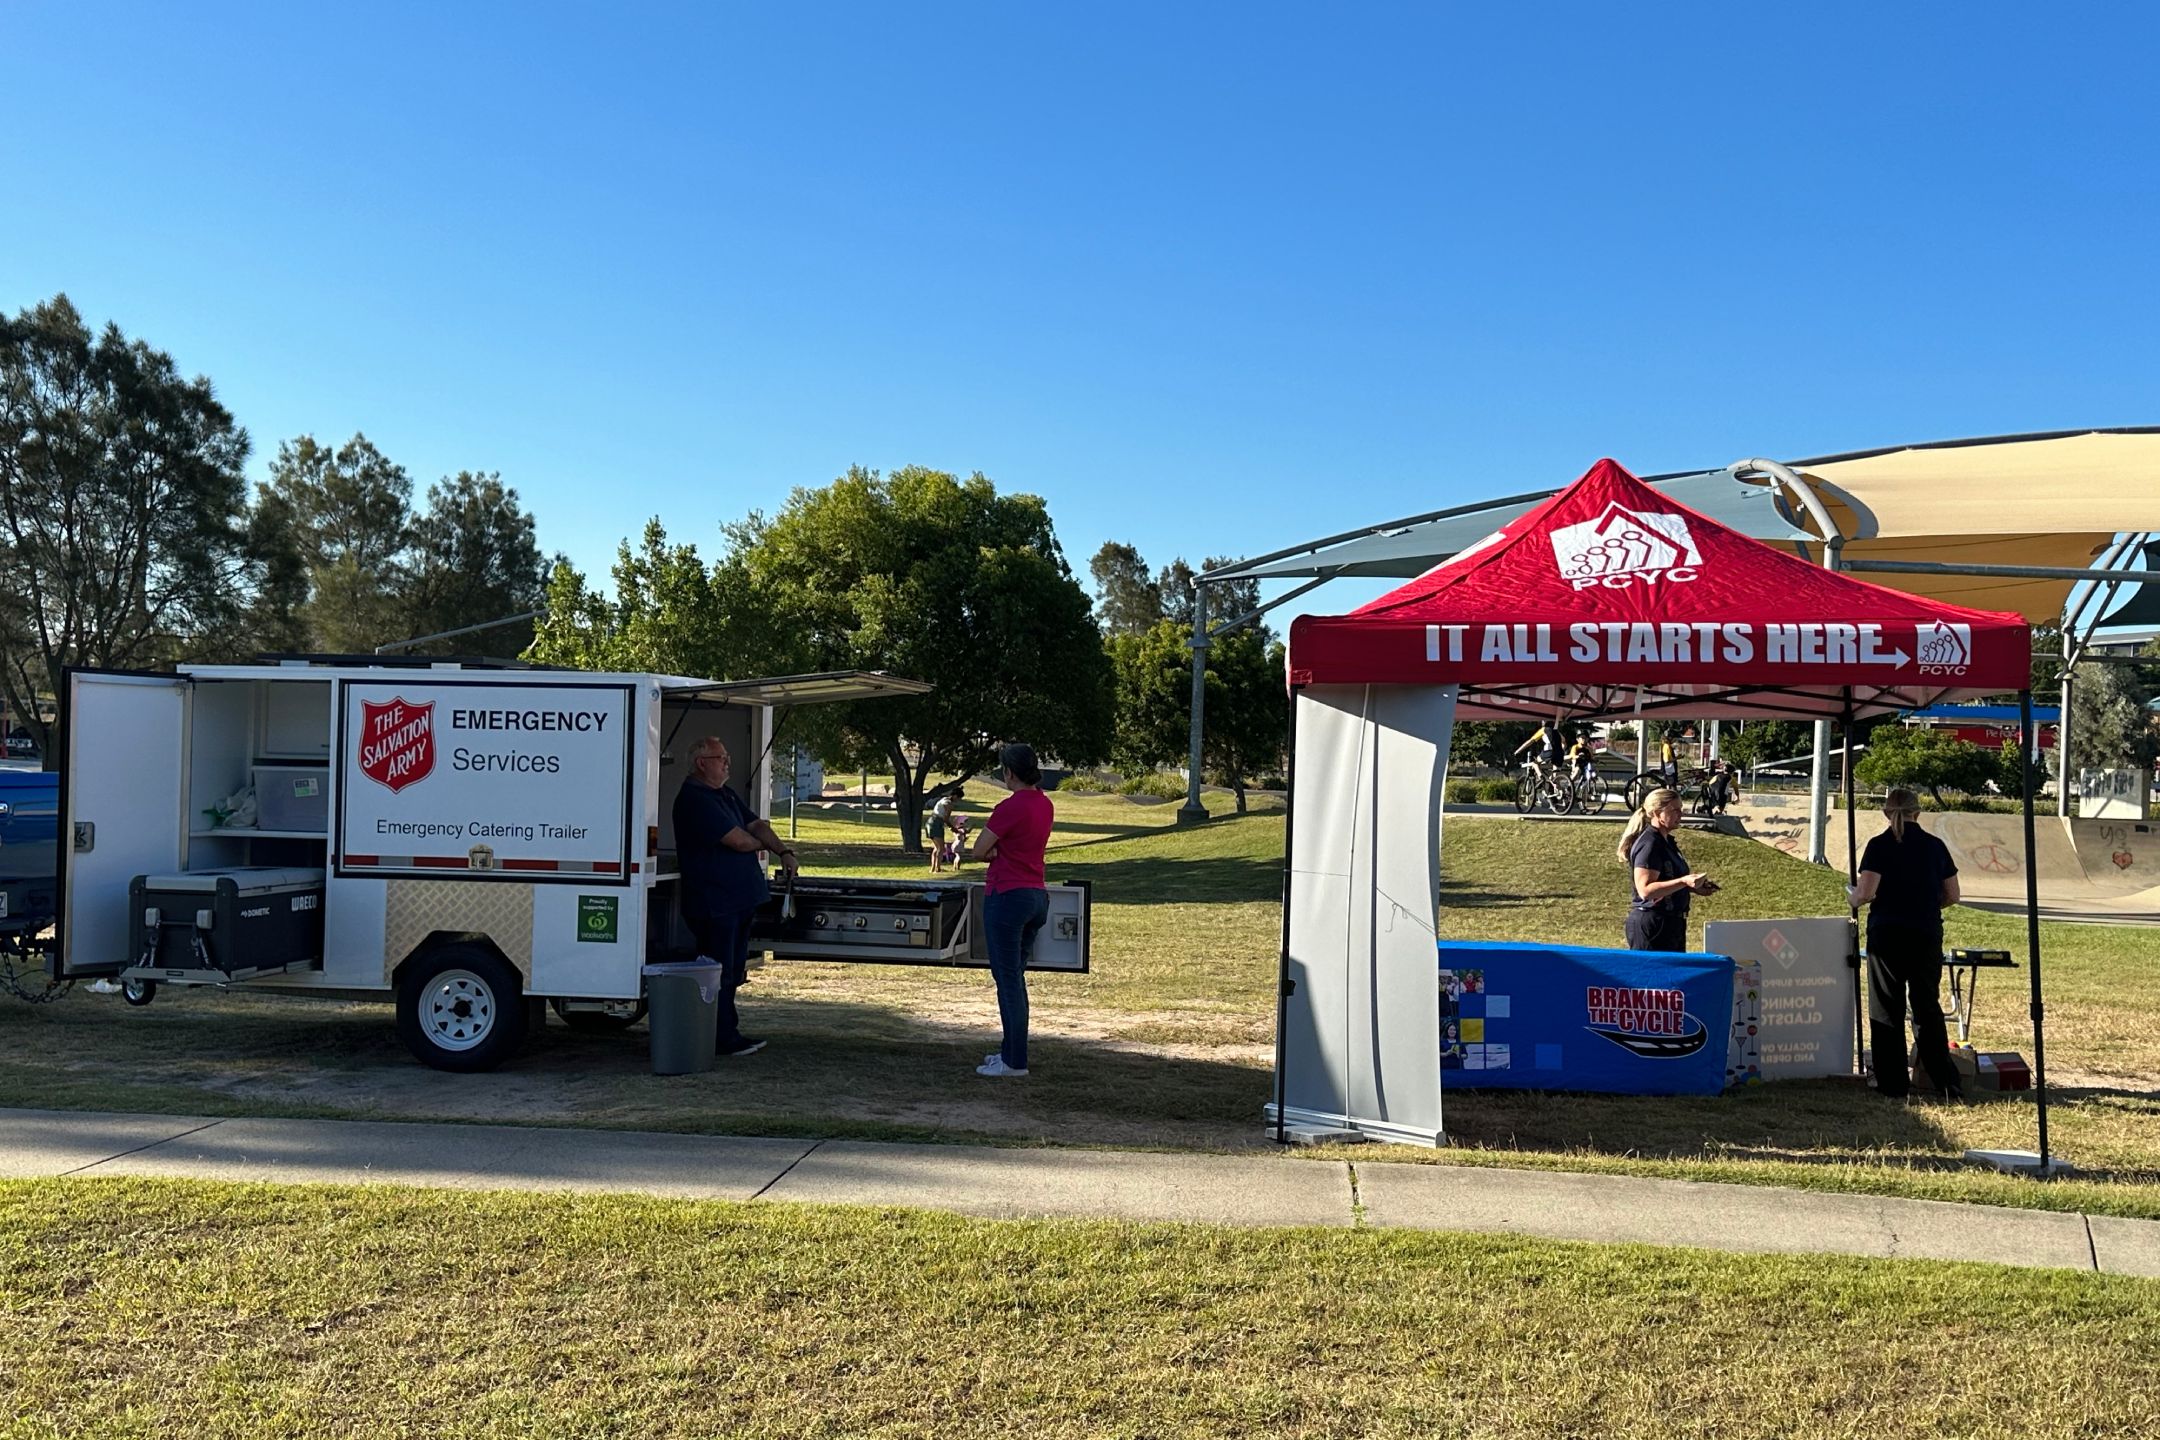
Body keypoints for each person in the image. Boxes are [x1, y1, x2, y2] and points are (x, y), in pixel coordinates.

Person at [672, 736, 798, 1057]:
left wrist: (780, 848)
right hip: (715, 903)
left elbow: (756, 824)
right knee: (719, 972)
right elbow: (740, 841)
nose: (728, 762)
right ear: (702, 764)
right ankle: (719, 1037)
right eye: (720, 757)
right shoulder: (695, 799)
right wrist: (761, 843)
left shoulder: (723, 794)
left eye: (727, 756)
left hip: (738, 901)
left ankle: (729, 1031)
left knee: (733, 970)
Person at [1847, 787, 1963, 1100]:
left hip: (1887, 934)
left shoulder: (1879, 845)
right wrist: (1924, 906)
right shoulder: (1935, 846)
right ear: (1918, 812)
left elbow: (1866, 892)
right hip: (1925, 932)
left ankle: (1893, 1082)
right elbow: (1953, 895)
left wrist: (1851, 896)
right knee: (1926, 1006)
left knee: (1887, 1006)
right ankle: (1944, 1079)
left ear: (1887, 813)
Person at [969, 742, 1053, 1077]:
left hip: (1007, 896)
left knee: (1007, 981)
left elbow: (978, 850)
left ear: (1009, 772)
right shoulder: (1045, 805)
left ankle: (1014, 1062)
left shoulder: (1009, 807)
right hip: (1036, 895)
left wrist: (994, 852)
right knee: (1015, 980)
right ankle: (1010, 1051)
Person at [1616, 787, 1717, 951]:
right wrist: (1684, 881)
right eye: (1674, 810)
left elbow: (1666, 880)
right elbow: (1646, 890)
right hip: (1654, 924)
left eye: (1681, 809)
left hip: (1671, 923)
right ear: (1657, 813)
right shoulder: (1650, 843)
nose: (1680, 814)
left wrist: (1693, 887)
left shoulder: (1667, 841)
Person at [925, 791, 955, 874]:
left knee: (937, 847)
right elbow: (946, 818)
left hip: (931, 822)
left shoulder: (943, 799)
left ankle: (933, 868)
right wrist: (953, 828)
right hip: (936, 823)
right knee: (941, 848)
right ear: (955, 796)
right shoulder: (948, 803)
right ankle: (937, 869)